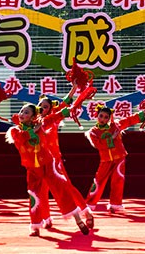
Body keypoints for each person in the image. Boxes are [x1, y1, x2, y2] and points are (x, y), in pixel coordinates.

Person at [6, 103, 91, 237]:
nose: (22, 114)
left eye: (26, 112)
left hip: (48, 165)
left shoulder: (41, 124)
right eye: (22, 111)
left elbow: (52, 118)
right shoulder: (15, 131)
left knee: (62, 190)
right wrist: (33, 131)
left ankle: (79, 220)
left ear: (33, 116)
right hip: (32, 169)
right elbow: (22, 139)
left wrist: (64, 112)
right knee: (34, 197)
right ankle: (35, 226)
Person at [34, 90, 93, 230]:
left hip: (55, 160)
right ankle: (46, 218)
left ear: (51, 109)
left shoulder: (54, 118)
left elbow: (66, 103)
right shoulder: (34, 122)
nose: (42, 108)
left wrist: (73, 88)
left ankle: (86, 213)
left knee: (67, 187)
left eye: (46, 106)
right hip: (40, 161)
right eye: (40, 105)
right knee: (41, 191)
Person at [85, 103, 145, 213]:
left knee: (118, 180)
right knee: (98, 181)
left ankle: (115, 204)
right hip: (105, 160)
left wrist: (144, 114)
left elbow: (129, 120)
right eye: (101, 116)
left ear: (109, 118)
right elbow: (99, 145)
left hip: (119, 157)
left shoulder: (115, 126)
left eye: (106, 117)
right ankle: (90, 204)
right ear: (97, 116)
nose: (103, 119)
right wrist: (111, 138)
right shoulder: (93, 132)